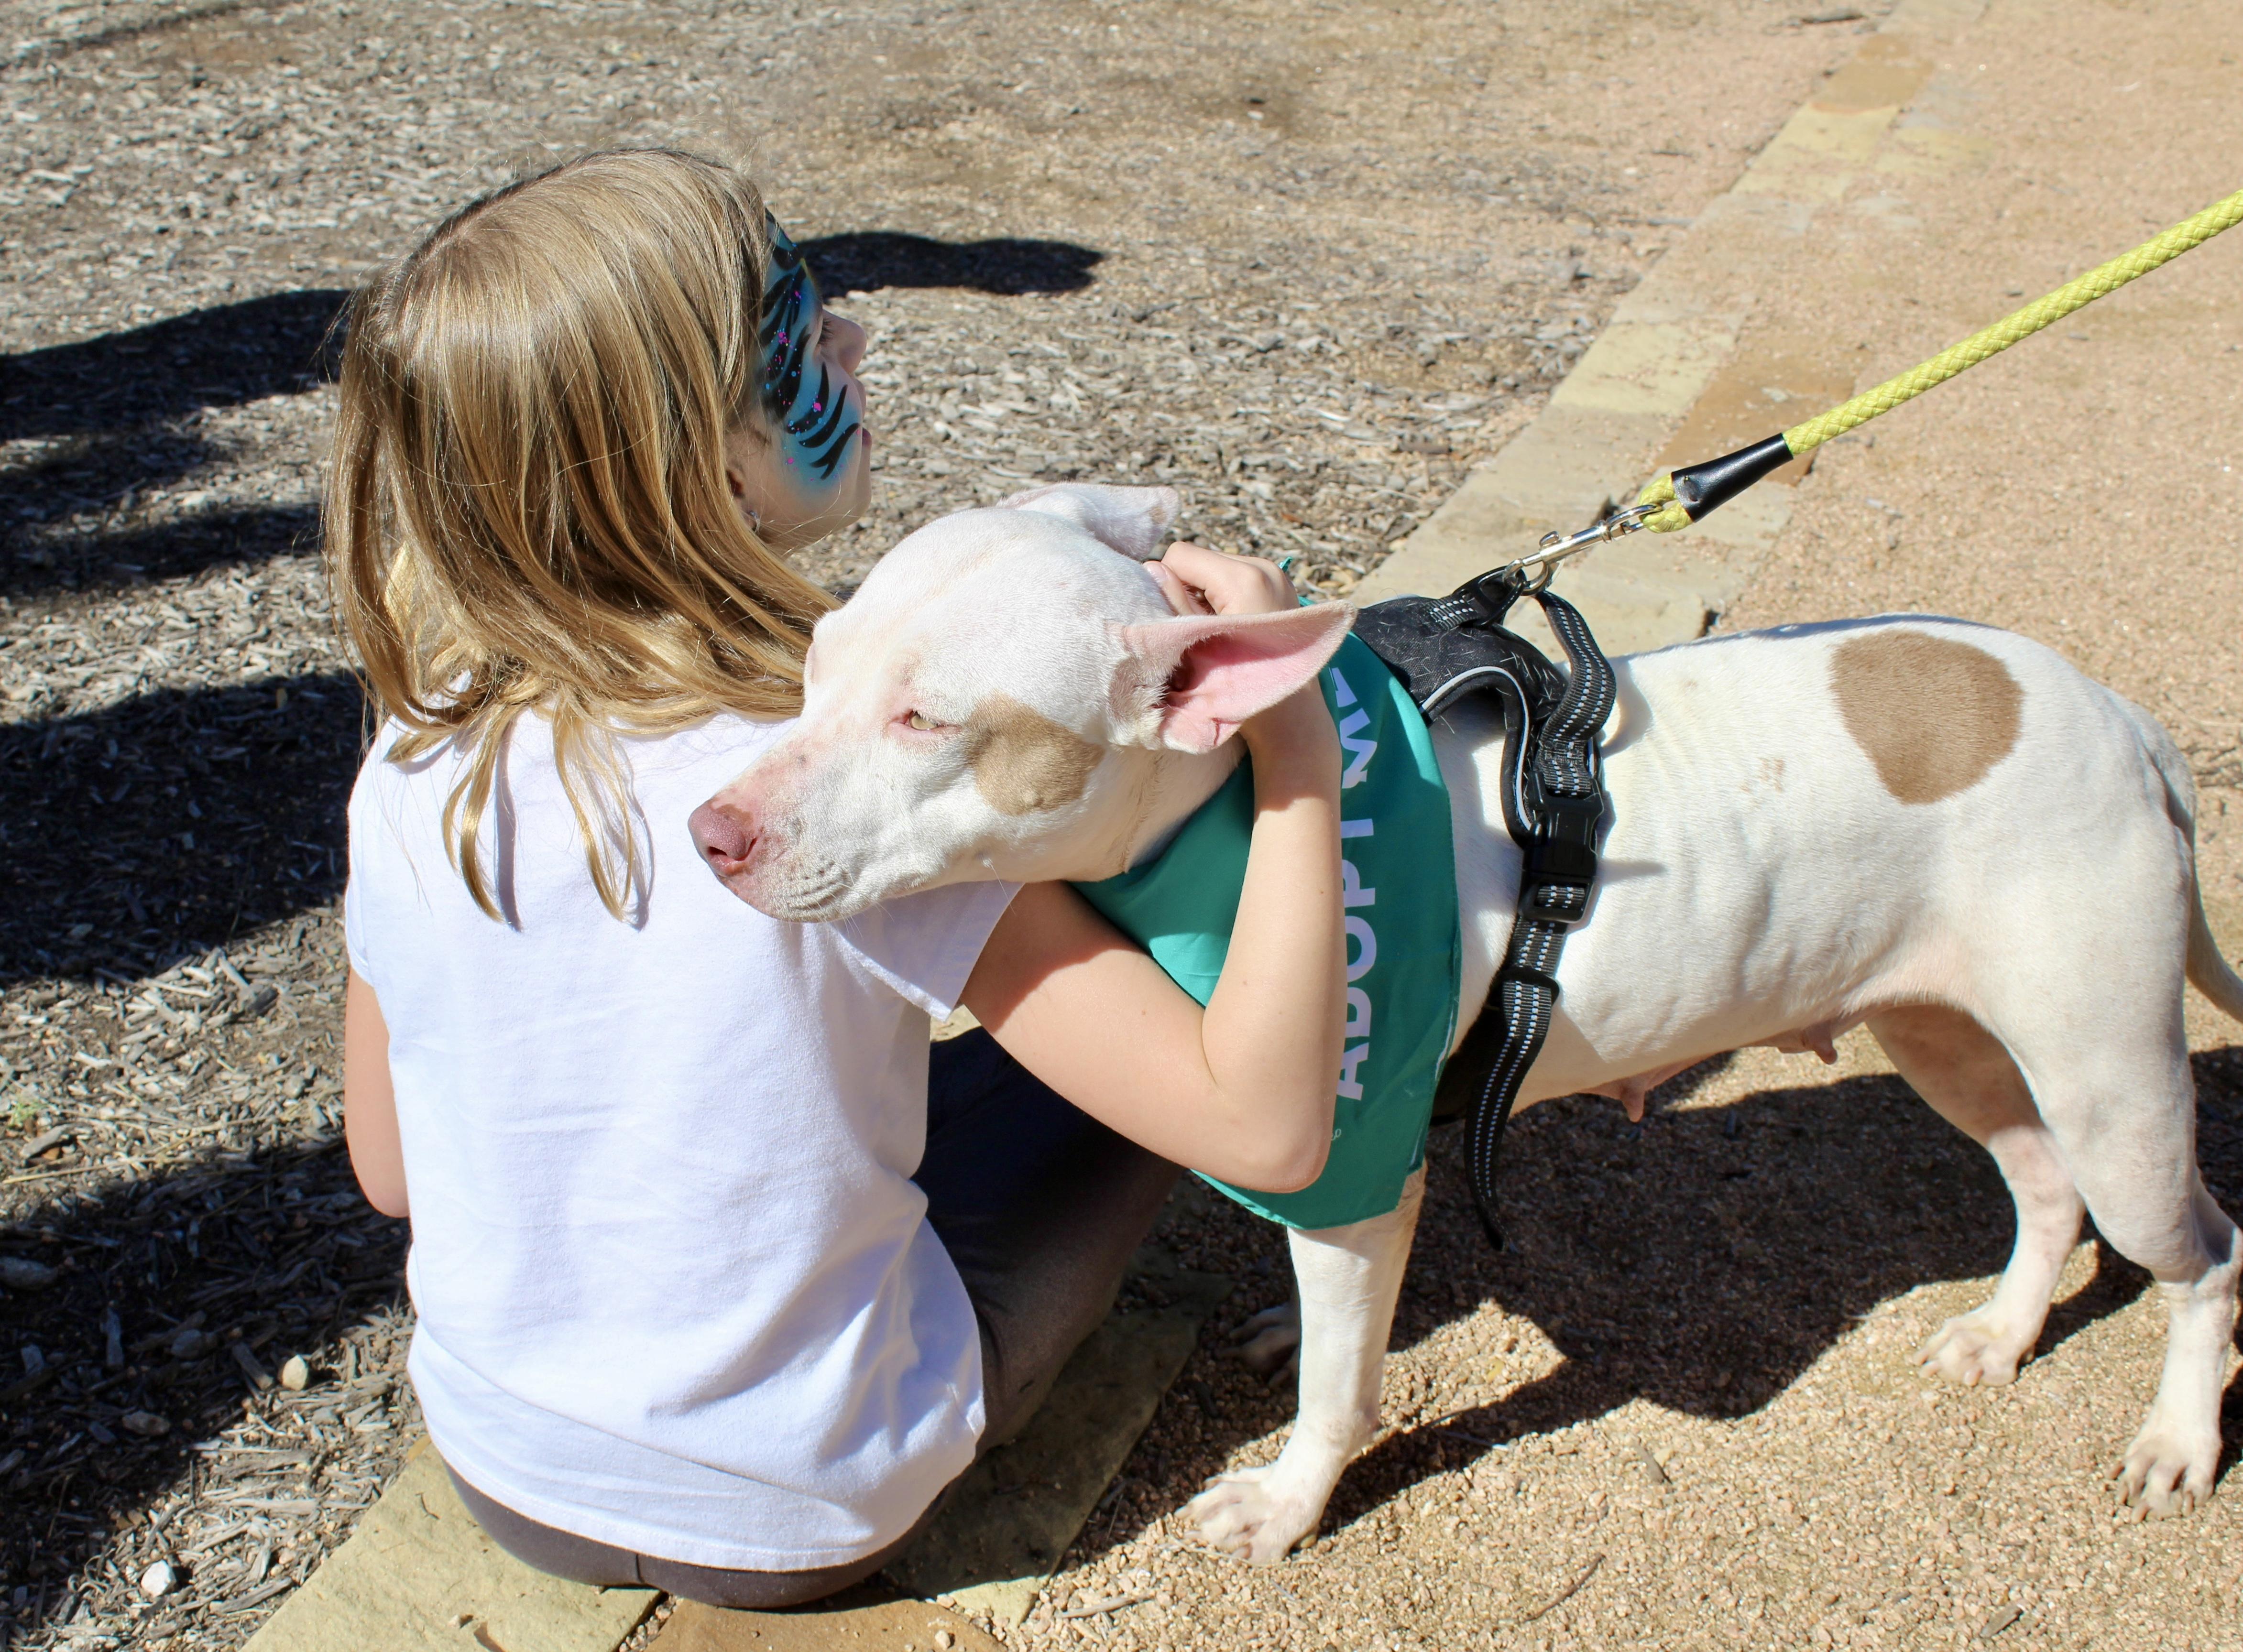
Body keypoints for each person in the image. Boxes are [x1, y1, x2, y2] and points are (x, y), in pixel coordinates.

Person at [328, 149, 1344, 1608]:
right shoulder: (844, 797)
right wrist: (1291, 737)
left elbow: (392, 1169)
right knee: (1158, 1059)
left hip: (508, 1472)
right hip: (811, 1508)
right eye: (795, 345)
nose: (855, 345)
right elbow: (1264, 1131)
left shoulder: (416, 749)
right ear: (694, 461)